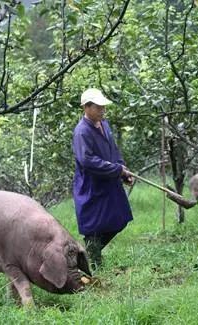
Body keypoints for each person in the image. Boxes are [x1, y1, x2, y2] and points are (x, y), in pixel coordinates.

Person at [72, 88, 134, 270]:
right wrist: (117, 170)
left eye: (102, 106)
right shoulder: (81, 131)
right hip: (91, 185)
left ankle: (89, 252)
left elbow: (113, 150)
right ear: (86, 107)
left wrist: (123, 170)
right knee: (94, 226)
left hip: (109, 182)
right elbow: (87, 160)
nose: (102, 110)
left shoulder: (104, 124)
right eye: (98, 107)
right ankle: (92, 264)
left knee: (119, 218)